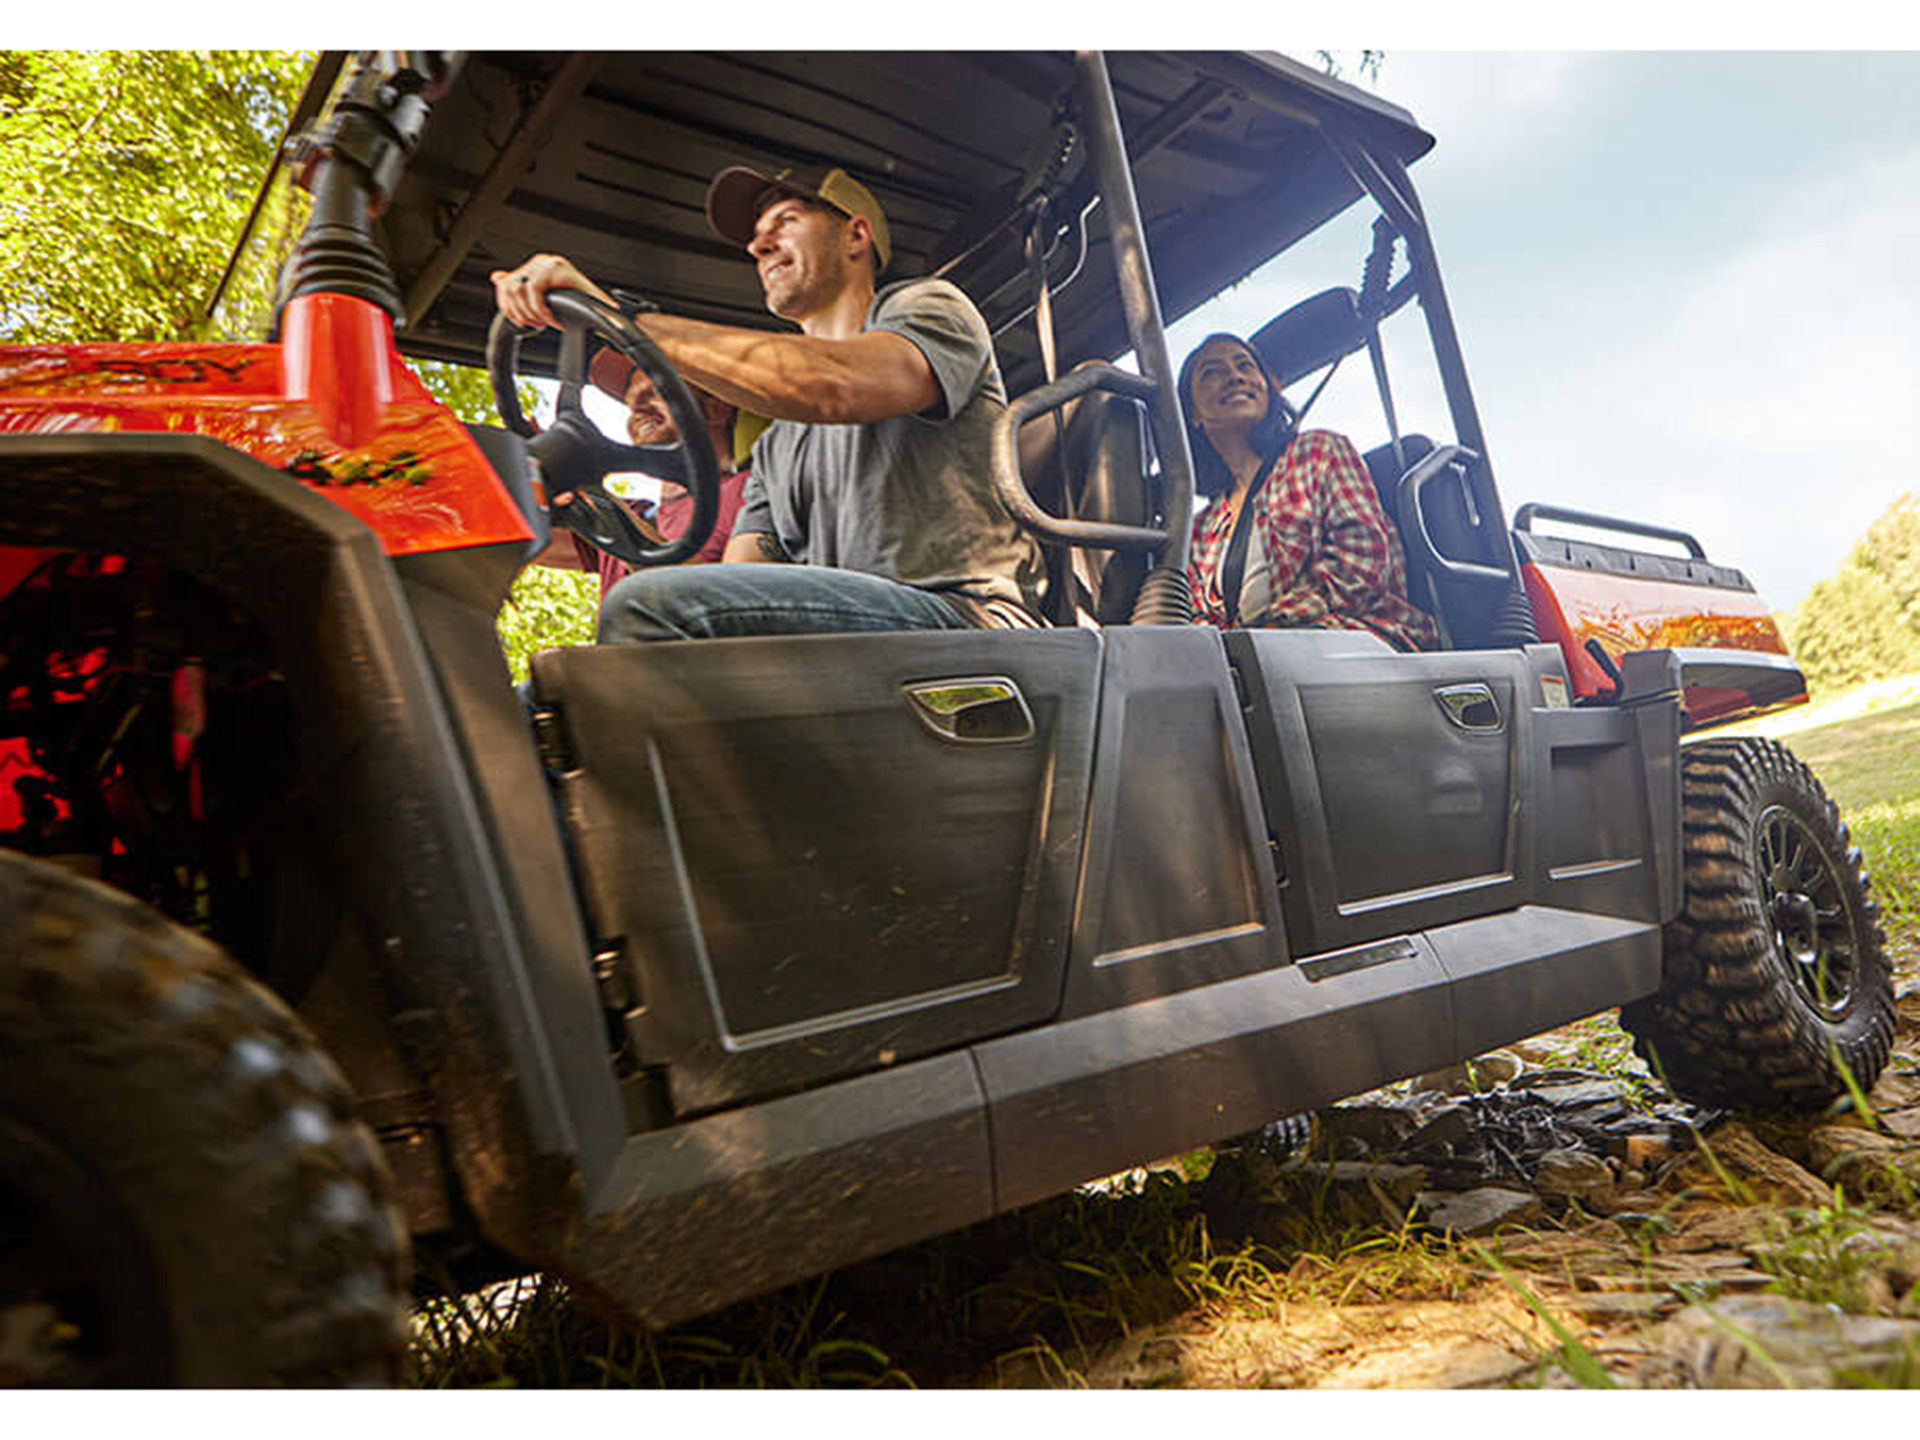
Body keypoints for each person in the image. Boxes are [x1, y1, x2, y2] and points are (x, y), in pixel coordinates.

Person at [492, 162, 1046, 642]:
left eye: (785, 221)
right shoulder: (779, 444)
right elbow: (737, 582)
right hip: (856, 635)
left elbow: (834, 385)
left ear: (855, 236)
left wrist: (620, 317)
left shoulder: (928, 307)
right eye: (757, 235)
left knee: (652, 610)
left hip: (965, 617)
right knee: (549, 701)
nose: (758, 245)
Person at [1177, 332, 1436, 652]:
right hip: (1260, 665)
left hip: (1355, 641)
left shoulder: (1319, 451)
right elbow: (1199, 617)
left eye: (1245, 365)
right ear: (1194, 415)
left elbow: (1361, 559)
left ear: (1268, 390)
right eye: (1212, 372)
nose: (1234, 377)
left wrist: (1274, 628)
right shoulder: (1202, 529)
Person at [535, 356, 752, 601]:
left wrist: (589, 489)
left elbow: (721, 607)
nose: (637, 412)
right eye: (631, 405)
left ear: (717, 408)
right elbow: (525, 538)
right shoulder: (632, 514)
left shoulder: (750, 491)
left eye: (656, 394)